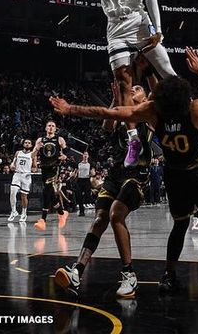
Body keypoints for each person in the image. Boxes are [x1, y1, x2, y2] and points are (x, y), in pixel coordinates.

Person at [50, 47, 198, 297]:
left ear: (154, 98)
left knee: (168, 223)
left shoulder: (150, 113)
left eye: (143, 90)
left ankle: (158, 275)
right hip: (191, 170)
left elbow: (113, 112)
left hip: (162, 174)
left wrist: (72, 108)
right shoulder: (194, 109)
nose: (140, 90)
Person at [54, 79, 153, 299]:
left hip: (137, 174)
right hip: (116, 174)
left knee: (116, 213)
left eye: (138, 89)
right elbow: (107, 126)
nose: (134, 89)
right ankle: (77, 272)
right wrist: (115, 99)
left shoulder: (147, 112)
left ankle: (129, 275)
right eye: (132, 87)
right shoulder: (120, 114)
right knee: (100, 218)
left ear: (145, 98)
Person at [100, 0, 176, 167]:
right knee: (123, 82)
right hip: (114, 25)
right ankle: (133, 140)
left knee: (169, 75)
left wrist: (158, 28)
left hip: (138, 20)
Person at [32, 120, 69, 231]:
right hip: (44, 168)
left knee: (46, 191)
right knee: (51, 194)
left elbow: (67, 152)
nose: (51, 127)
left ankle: (43, 220)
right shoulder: (40, 140)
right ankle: (62, 213)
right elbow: (32, 155)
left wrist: (64, 156)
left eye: (53, 126)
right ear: (45, 128)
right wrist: (37, 148)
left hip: (54, 168)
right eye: (49, 126)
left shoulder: (59, 139)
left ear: (55, 128)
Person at [8, 138, 35, 222]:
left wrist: (33, 170)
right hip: (17, 174)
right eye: (26, 142)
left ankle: (24, 213)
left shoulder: (33, 154)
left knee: (24, 196)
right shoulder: (18, 152)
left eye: (29, 143)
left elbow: (35, 167)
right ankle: (13, 211)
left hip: (26, 176)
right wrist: (11, 166)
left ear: (31, 145)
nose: (27, 144)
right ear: (23, 144)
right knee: (13, 192)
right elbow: (13, 163)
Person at [76, 152, 91, 217]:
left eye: (86, 154)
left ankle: (96, 206)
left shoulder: (90, 164)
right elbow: (76, 171)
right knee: (79, 196)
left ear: (88, 156)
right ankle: (82, 211)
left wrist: (91, 174)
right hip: (80, 180)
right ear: (82, 156)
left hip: (87, 180)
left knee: (88, 196)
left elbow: (93, 172)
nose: (85, 156)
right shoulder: (79, 164)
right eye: (84, 154)